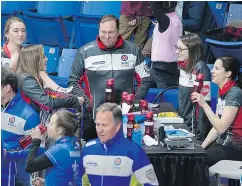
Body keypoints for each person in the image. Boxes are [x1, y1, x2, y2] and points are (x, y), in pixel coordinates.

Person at [69, 15, 150, 117]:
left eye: (111, 32)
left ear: (118, 31)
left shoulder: (133, 50)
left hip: (125, 115)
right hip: (94, 115)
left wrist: (135, 102)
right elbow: (73, 82)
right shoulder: (84, 52)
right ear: (98, 31)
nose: (107, 36)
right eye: (103, 32)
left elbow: (145, 79)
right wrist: (88, 104)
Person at [76, 103, 159, 186]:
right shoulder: (88, 149)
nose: (100, 130)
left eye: (104, 125)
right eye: (97, 125)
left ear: (117, 126)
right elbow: (79, 180)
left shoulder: (134, 152)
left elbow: (151, 184)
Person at [191, 56, 242, 166]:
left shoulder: (235, 93)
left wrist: (204, 104)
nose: (212, 71)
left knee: (196, 162)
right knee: (193, 155)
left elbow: (221, 127)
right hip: (222, 143)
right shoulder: (222, 91)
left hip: (235, 147)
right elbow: (216, 126)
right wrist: (202, 147)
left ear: (228, 73)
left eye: (217, 68)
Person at [1, 16, 70, 93]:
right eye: (16, 31)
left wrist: (60, 89)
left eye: (23, 31)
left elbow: (42, 74)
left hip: (28, 93)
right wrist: (12, 67)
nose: (21, 34)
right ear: (6, 33)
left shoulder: (29, 52)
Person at [1, 67, 40, 186]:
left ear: (7, 88)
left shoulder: (29, 115)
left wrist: (9, 154)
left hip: (16, 177)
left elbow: (35, 151)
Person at [16, 44, 83, 113]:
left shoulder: (32, 76)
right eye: (43, 57)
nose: (47, 59)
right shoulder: (27, 80)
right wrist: (74, 100)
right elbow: (48, 103)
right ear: (33, 60)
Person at [25, 110, 81, 186]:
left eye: (51, 124)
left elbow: (30, 166)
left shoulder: (60, 149)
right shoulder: (74, 144)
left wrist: (36, 141)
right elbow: (67, 173)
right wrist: (46, 181)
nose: (47, 125)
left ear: (59, 130)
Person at [176, 33, 212, 141]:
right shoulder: (183, 66)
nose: (176, 52)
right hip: (183, 125)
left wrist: (199, 136)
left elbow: (203, 105)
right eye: (176, 48)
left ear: (192, 50)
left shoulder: (201, 68)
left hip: (193, 130)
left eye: (180, 49)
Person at [150, 1, 182, 89]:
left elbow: (154, 4)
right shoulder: (175, 19)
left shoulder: (166, 21)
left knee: (164, 100)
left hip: (162, 70)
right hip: (170, 67)